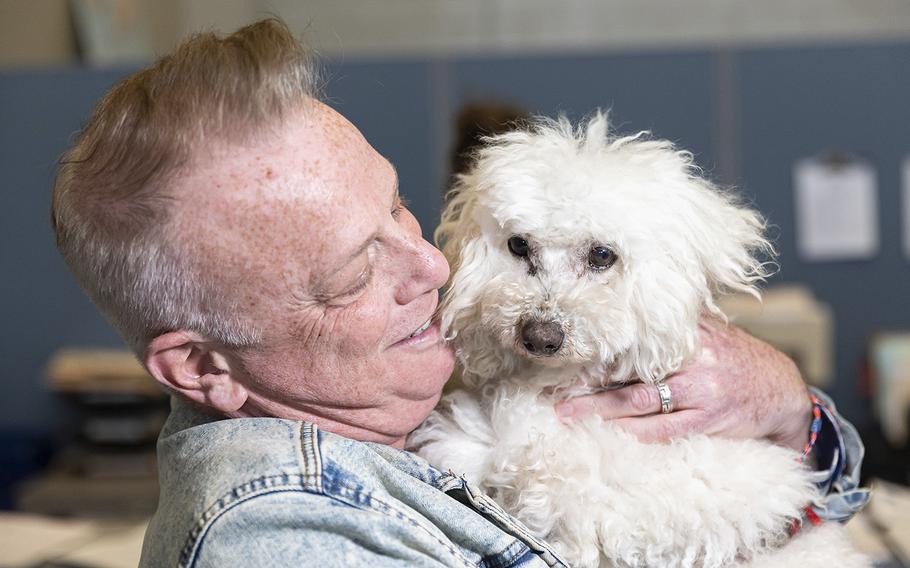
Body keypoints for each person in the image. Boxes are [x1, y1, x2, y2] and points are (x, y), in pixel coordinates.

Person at [51, 19, 868, 567]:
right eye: (352, 272)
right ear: (202, 366)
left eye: (400, 208)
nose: (434, 268)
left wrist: (792, 409)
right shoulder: (284, 535)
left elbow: (826, 494)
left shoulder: (381, 386)